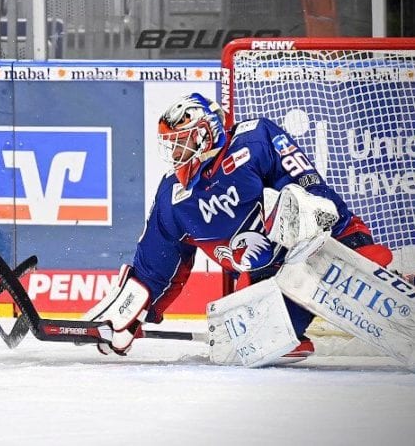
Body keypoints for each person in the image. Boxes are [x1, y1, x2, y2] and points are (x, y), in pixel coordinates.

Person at [84, 92, 393, 359]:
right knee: (249, 344)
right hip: (267, 278)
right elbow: (155, 265)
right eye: (171, 145)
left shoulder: (256, 139)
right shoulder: (173, 197)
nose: (175, 153)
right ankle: (289, 327)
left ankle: (363, 260)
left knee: (294, 205)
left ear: (204, 133)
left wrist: (348, 237)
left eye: (180, 142)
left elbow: (309, 187)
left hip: (320, 245)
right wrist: (136, 312)